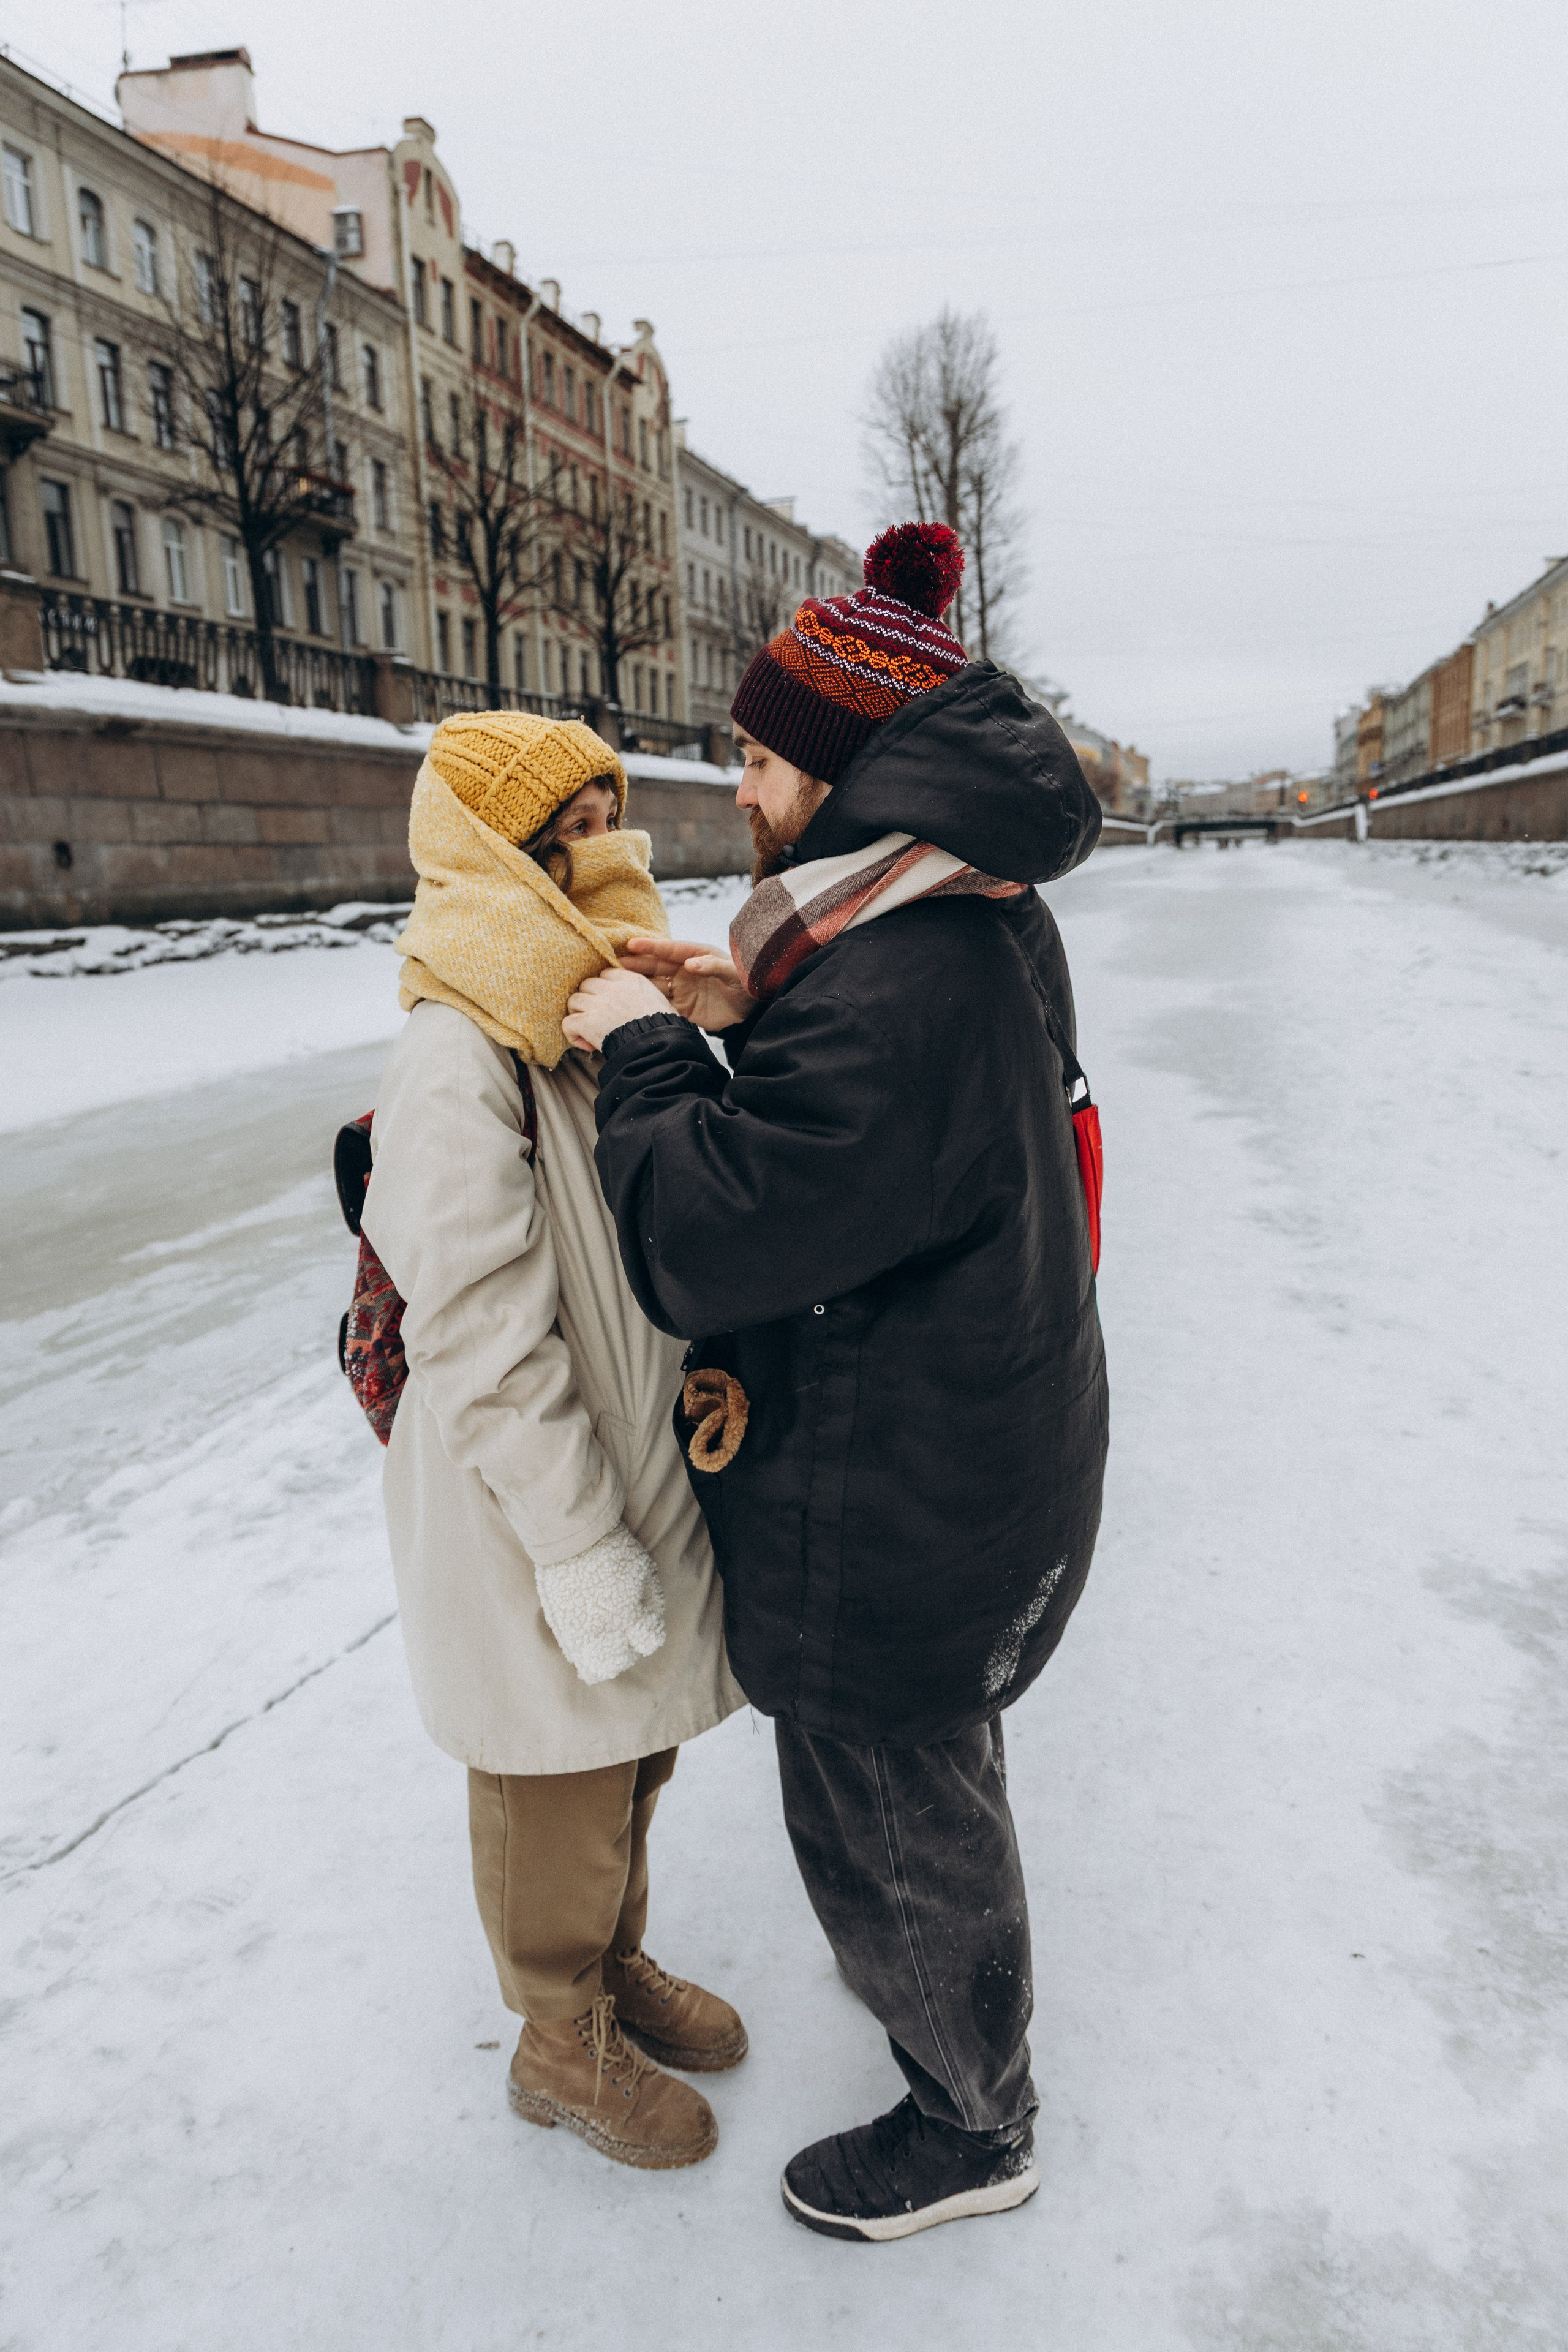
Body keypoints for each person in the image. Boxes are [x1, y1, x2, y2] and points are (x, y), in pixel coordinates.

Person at [562, 524, 1109, 2239]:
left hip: (898, 1499)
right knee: (939, 1770)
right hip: (978, 1452)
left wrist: (640, 1053)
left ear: (841, 765)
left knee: (885, 1804)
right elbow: (880, 1143)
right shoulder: (954, 906)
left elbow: (720, 1237)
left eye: (752, 756)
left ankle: (969, 2122)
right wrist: (743, 1004)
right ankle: (972, 2028)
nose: (733, 787)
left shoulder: (894, 977)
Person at [360, 710, 747, 2175]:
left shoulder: (576, 1001)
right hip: (531, 1497)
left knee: (629, 1760)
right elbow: (476, 1322)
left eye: (607, 816)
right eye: (571, 828)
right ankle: (552, 2034)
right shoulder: (462, 1037)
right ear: (498, 847)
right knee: (552, 1779)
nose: (604, 851)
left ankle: (610, 1967)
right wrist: (577, 1539)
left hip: (632, 1458)